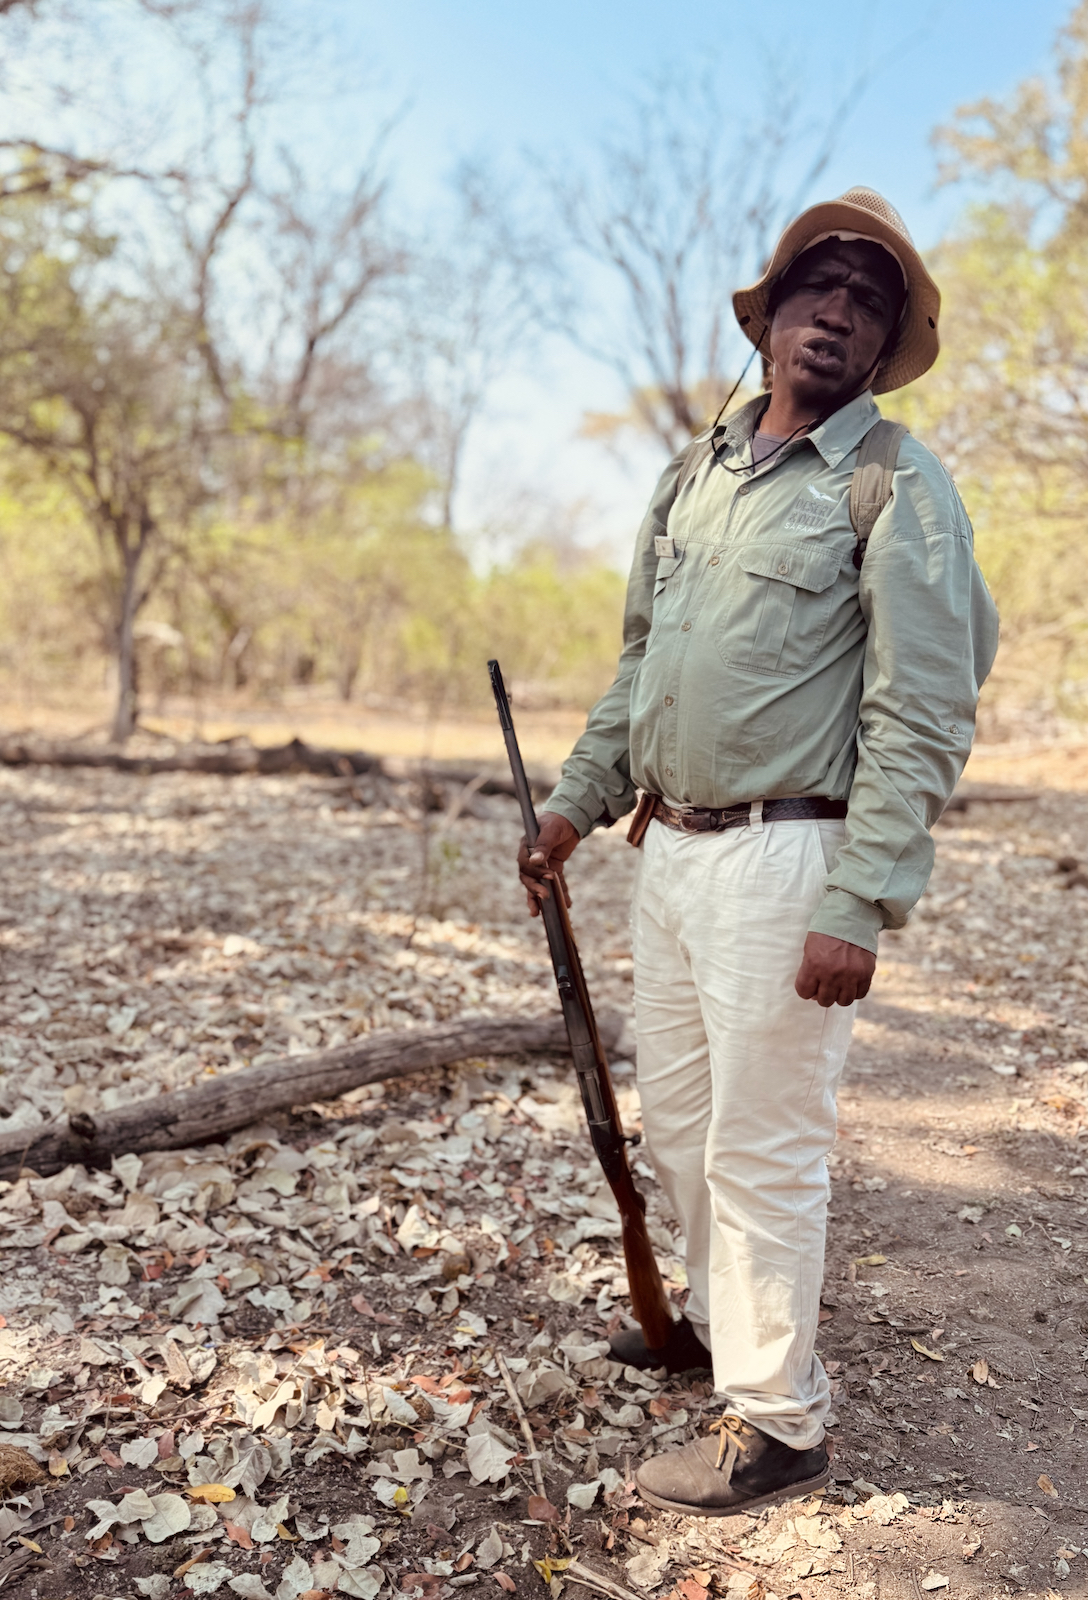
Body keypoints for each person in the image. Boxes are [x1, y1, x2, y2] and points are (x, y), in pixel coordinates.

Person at [517, 188, 999, 1516]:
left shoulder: (893, 481)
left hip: (793, 865)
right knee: (679, 1128)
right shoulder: (695, 472)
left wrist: (865, 896)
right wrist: (571, 804)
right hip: (667, 854)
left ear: (885, 341)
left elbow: (922, 709)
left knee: (765, 1145)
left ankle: (780, 1425)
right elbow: (638, 674)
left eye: (868, 301)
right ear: (771, 311)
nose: (837, 312)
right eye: (817, 288)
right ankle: (729, 1340)